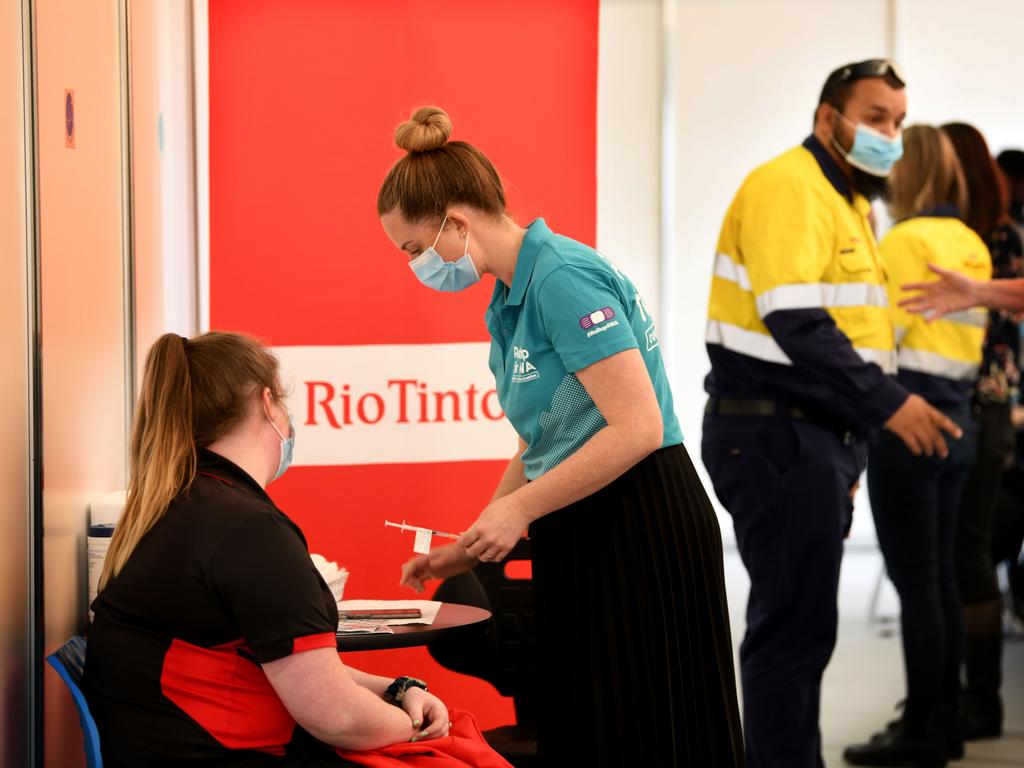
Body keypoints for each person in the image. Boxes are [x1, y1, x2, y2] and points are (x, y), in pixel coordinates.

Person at [378, 106, 744, 766]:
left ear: (457, 222)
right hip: (582, 520)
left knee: (651, 726)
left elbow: (638, 426)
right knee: (591, 719)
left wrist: (518, 510)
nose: (416, 267)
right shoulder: (507, 298)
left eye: (414, 250)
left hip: (642, 516)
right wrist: (470, 546)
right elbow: (539, 443)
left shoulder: (562, 279)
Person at [83, 332, 510, 768]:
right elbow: (336, 716)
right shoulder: (248, 529)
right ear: (268, 404)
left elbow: (294, 670)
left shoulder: (176, 509)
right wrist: (418, 727)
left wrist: (396, 690)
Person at [701, 60, 962, 768]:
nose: (891, 136)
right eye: (877, 118)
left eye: (900, 123)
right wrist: (891, 405)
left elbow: (854, 340)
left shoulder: (850, 203)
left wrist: (853, 444)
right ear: (829, 120)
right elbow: (799, 323)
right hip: (773, 432)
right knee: (793, 632)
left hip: (811, 438)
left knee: (804, 628)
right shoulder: (791, 185)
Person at [843, 124, 990, 767]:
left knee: (917, 581)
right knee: (944, 577)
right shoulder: (970, 240)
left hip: (910, 424)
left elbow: (874, 336)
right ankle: (946, 715)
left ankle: (923, 728)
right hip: (961, 423)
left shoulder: (902, 242)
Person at [942, 122, 1024, 740]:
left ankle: (982, 701)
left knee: (969, 554)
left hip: (985, 407)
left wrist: (972, 289)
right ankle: (948, 697)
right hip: (958, 405)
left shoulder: (999, 238)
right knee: (951, 555)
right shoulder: (968, 235)